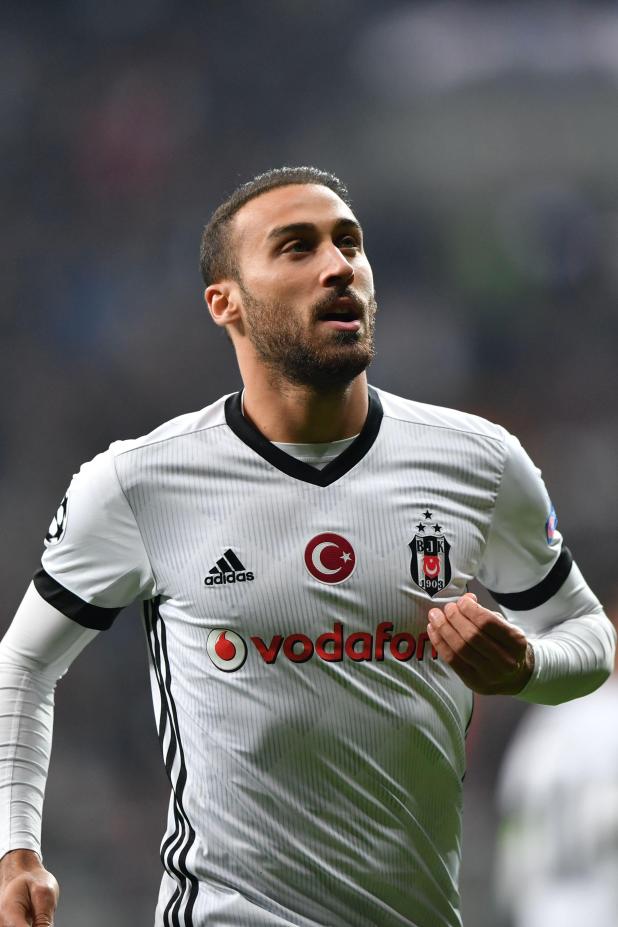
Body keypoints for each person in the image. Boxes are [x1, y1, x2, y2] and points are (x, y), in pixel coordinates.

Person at [0, 166, 614, 927]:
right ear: (225, 302)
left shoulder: (479, 461)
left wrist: (527, 668)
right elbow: (24, 662)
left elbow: (589, 638)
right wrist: (15, 850)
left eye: (349, 244)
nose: (338, 266)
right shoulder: (138, 482)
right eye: (297, 247)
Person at [495, 606, 618, 927]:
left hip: (541, 908)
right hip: (601, 903)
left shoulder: (549, 715)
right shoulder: (608, 712)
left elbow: (512, 804)